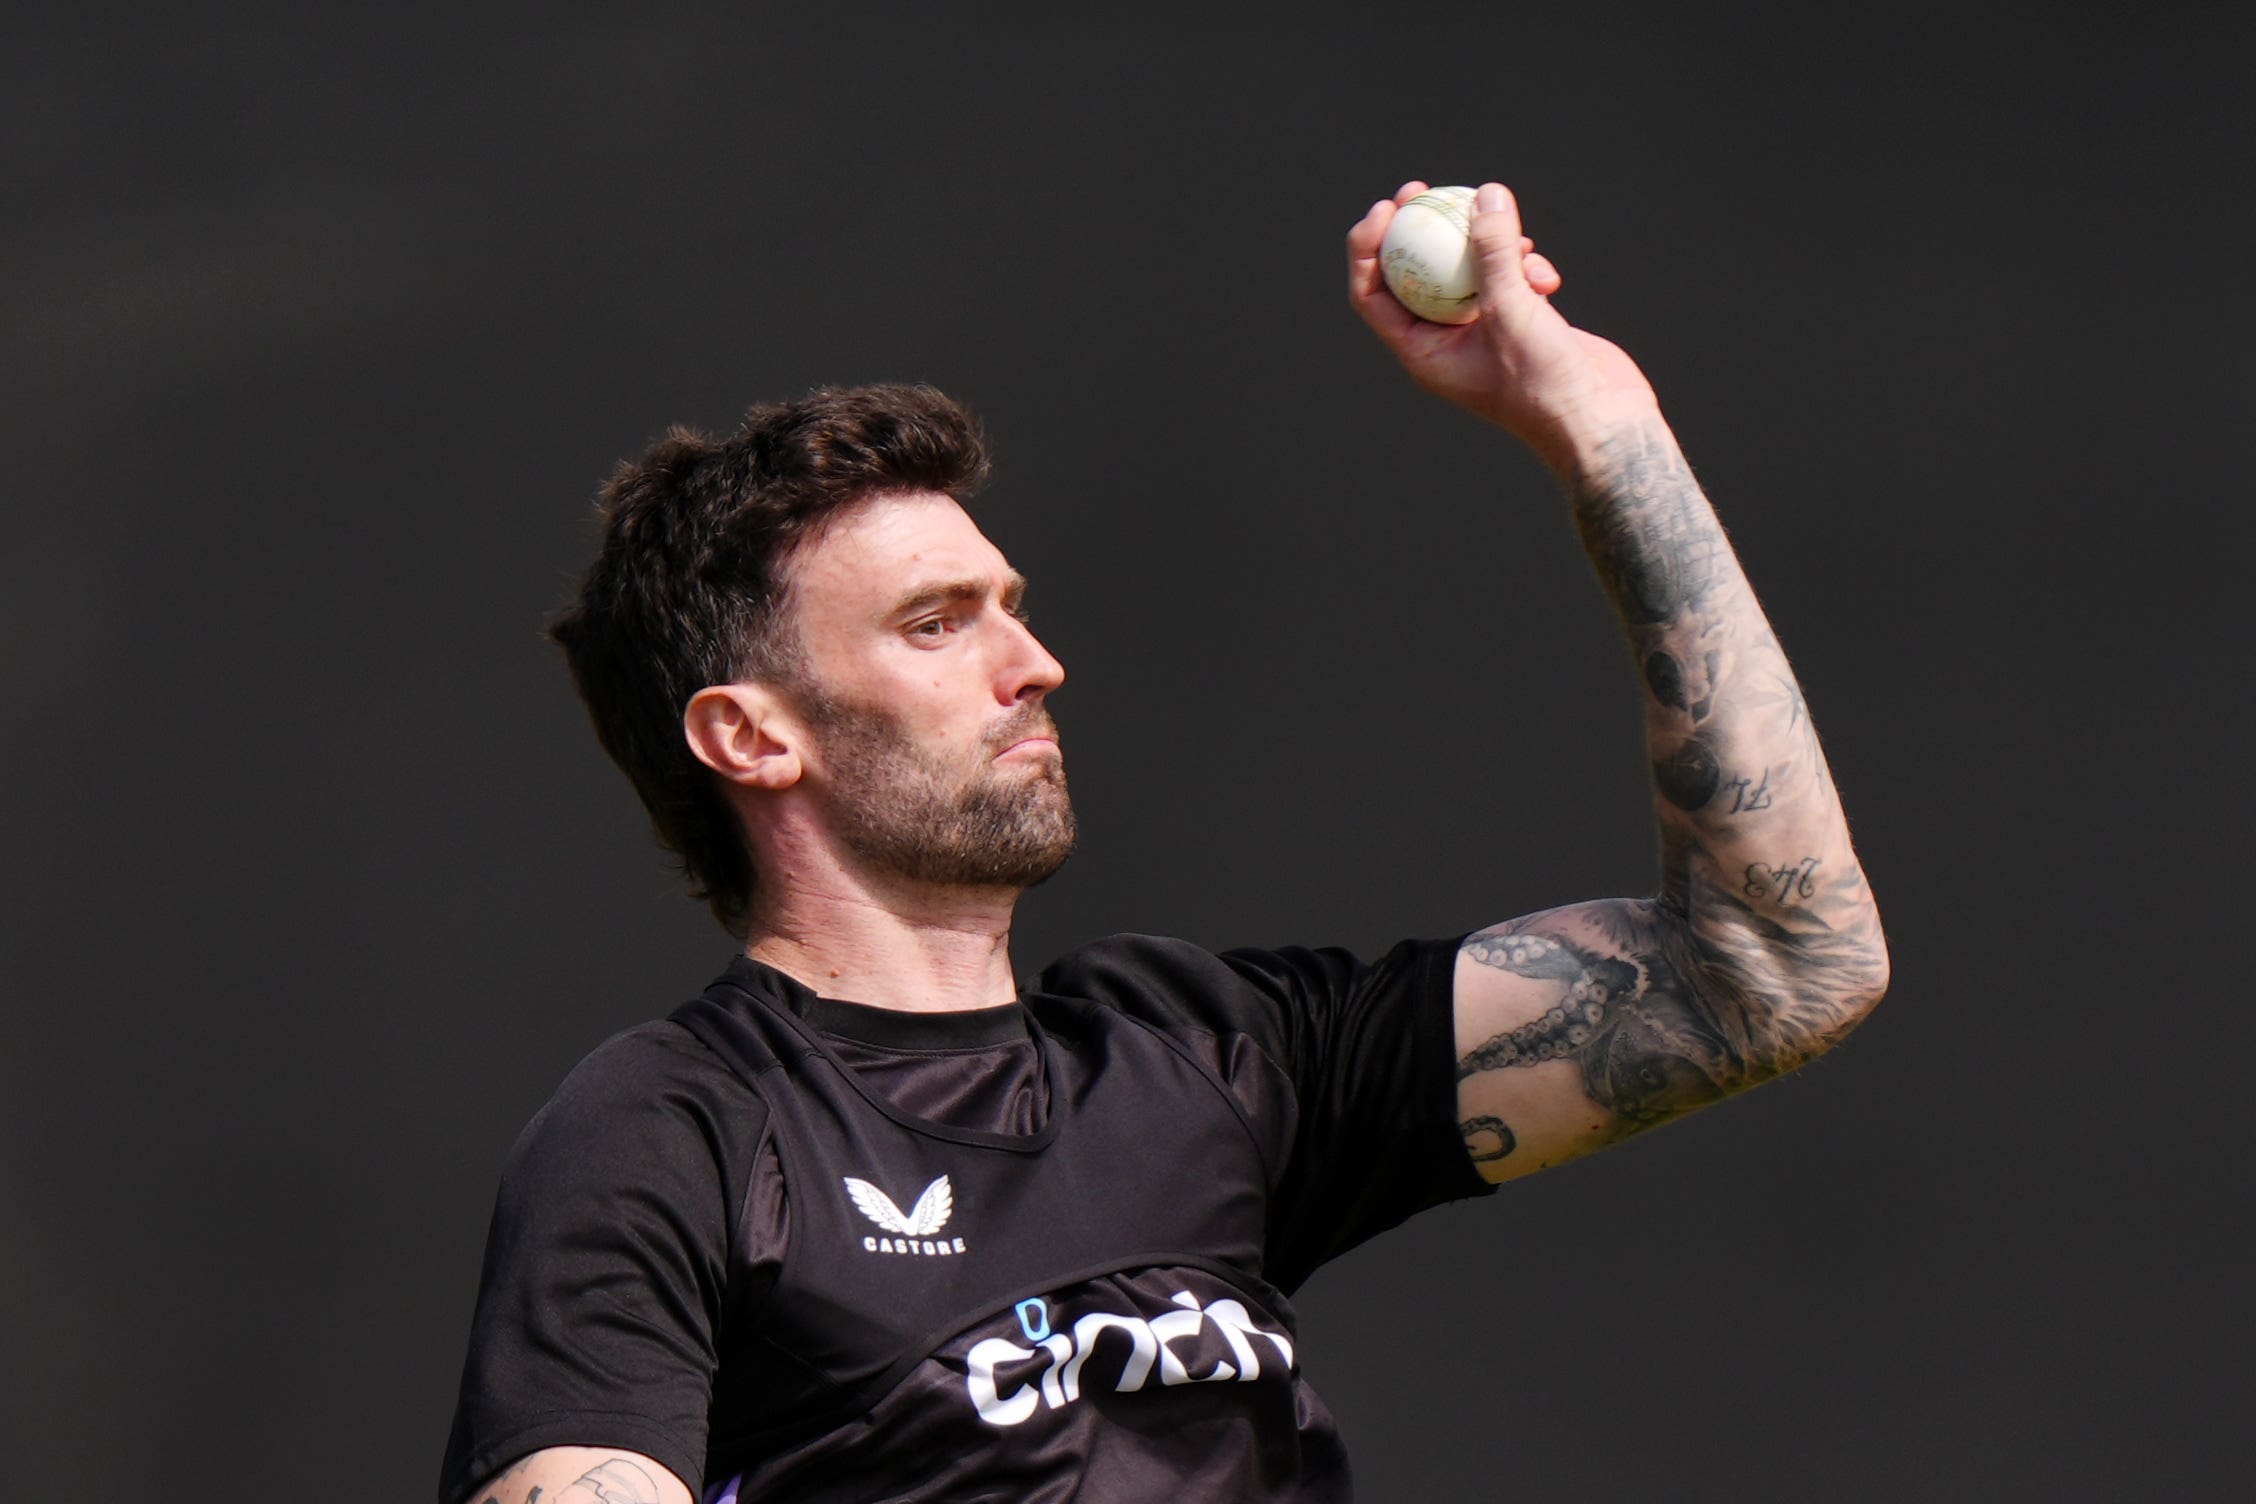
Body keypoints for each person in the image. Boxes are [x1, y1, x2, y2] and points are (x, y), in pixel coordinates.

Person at [438, 181, 1889, 1504]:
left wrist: (1605, 427)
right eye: (940, 623)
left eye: (1014, 603)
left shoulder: (1198, 1054)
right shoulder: (669, 1130)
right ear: (754, 737)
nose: (1036, 662)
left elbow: (1773, 967)